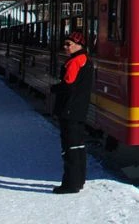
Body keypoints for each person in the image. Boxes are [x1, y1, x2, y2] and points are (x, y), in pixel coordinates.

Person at [51, 31, 94, 194]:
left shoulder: (75, 62)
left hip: (69, 109)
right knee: (78, 146)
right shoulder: (86, 60)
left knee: (69, 148)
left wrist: (54, 88)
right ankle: (79, 180)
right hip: (80, 109)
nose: (65, 47)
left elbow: (68, 85)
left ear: (79, 45)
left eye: (69, 44)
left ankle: (70, 184)